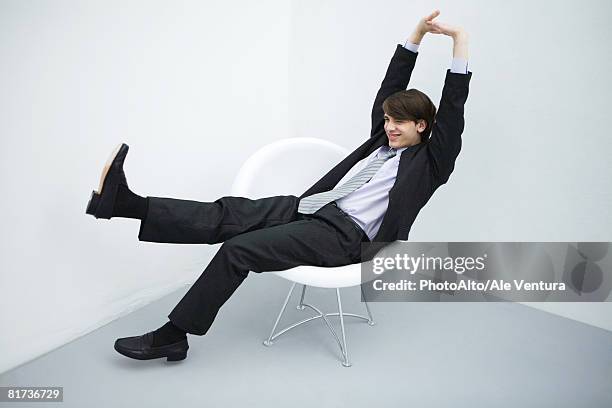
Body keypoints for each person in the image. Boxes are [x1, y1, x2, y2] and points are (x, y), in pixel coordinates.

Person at [85, 10, 472, 362]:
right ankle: (124, 203)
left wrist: (459, 40)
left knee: (238, 249)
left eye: (399, 123)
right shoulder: (380, 140)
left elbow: (453, 108)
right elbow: (392, 84)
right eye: (387, 119)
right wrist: (416, 35)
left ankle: (173, 334)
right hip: (313, 208)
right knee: (228, 212)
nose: (389, 127)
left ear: (422, 126)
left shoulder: (431, 163)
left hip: (347, 238)